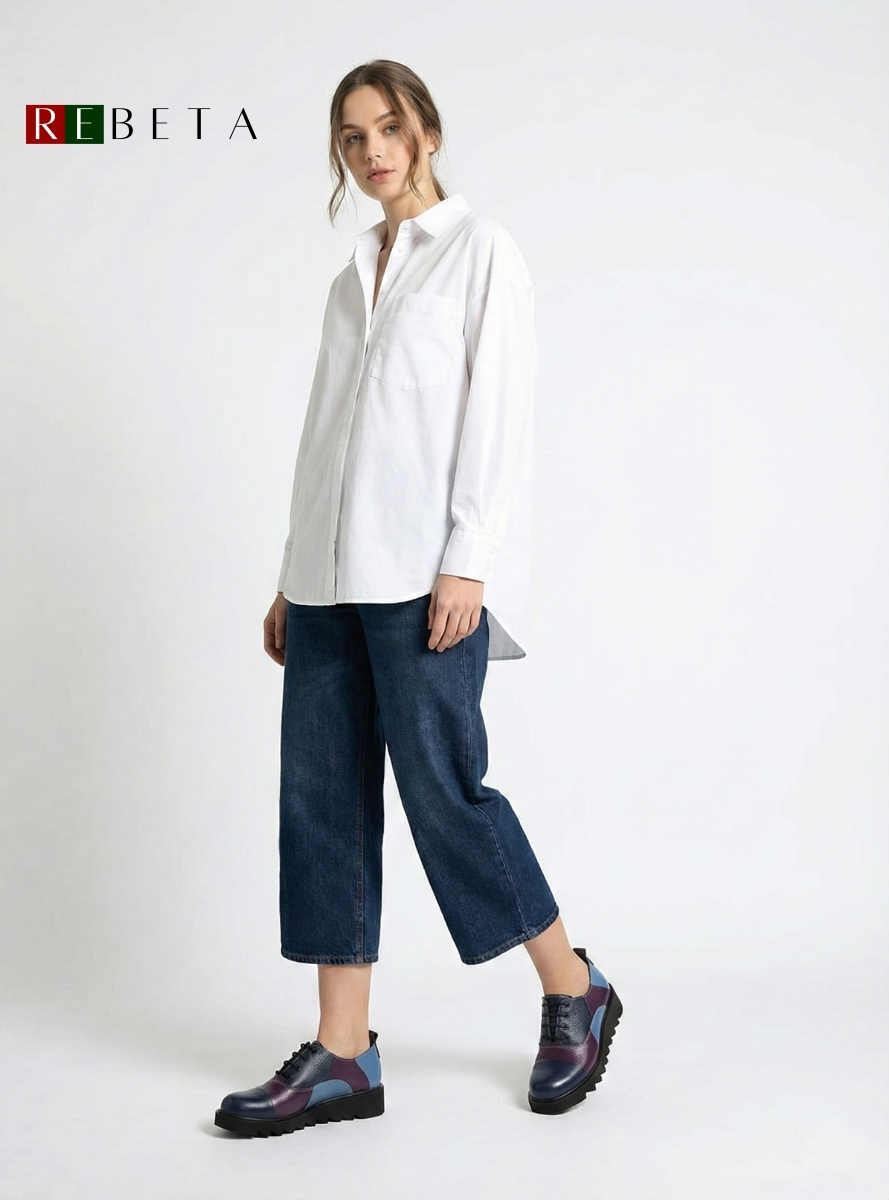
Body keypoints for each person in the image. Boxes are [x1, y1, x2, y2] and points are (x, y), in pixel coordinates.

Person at [214, 59, 622, 1140]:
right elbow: (325, 436)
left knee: (446, 792)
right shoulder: (349, 277)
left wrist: (469, 562)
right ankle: (343, 1054)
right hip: (329, 582)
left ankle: (574, 985)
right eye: (352, 137)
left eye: (388, 127)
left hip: (422, 574)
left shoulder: (481, 253)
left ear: (427, 130)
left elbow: (498, 414)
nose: (373, 152)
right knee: (322, 801)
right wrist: (292, 573)